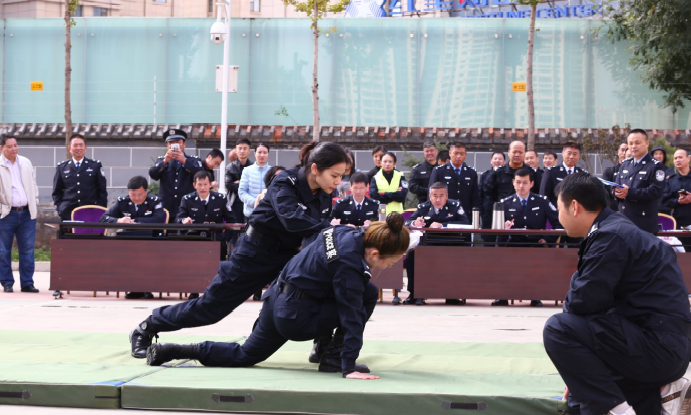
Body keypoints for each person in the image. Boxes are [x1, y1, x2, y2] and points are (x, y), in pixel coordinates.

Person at [129, 141, 349, 360]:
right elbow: (292, 219)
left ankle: (324, 344)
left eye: (341, 176)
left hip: (288, 255)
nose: (338, 182)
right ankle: (146, 327)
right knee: (211, 308)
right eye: (334, 175)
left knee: (325, 280)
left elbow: (315, 233)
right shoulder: (285, 181)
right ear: (314, 169)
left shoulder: (324, 192)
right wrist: (334, 230)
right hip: (254, 252)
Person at [146, 215, 409, 380]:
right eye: (392, 261)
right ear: (374, 254)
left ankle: (172, 350)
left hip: (276, 301)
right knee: (368, 294)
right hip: (296, 319)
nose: (391, 266)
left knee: (244, 354)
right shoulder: (350, 267)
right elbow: (351, 316)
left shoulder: (340, 232)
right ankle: (333, 358)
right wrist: (349, 365)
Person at [543, 172, 691, 415]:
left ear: (574, 206)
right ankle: (664, 397)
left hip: (657, 347)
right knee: (582, 402)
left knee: (559, 328)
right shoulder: (620, 229)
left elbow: (582, 301)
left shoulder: (610, 237)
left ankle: (622, 411)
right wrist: (576, 370)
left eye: (559, 208)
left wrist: (572, 361)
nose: (558, 216)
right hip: (660, 345)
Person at [492, 168, 559, 308]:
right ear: (513, 183)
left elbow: (558, 222)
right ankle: (503, 296)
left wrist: (548, 240)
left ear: (532, 184)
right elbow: (497, 227)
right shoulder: (505, 202)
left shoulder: (542, 201)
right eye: (518, 182)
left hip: (535, 243)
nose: (521, 186)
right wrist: (504, 230)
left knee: (537, 262)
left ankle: (535, 297)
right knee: (502, 261)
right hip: (513, 243)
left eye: (525, 182)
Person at [100, 175, 166, 300]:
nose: (136, 198)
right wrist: (119, 220)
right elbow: (103, 218)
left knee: (146, 255)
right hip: (129, 239)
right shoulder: (122, 201)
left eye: (139, 194)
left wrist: (136, 220)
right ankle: (134, 287)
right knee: (127, 254)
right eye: (132, 194)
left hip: (152, 239)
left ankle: (147, 287)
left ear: (146, 192)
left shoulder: (155, 201)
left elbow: (158, 219)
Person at [404, 182, 470, 306]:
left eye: (441, 195)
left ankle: (452, 295)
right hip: (429, 243)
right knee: (412, 256)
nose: (438, 199)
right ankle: (414, 293)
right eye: (435, 196)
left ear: (446, 196)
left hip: (451, 243)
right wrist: (415, 223)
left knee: (456, 259)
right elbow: (408, 222)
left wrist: (442, 226)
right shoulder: (423, 207)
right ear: (430, 196)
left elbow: (465, 223)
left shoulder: (455, 206)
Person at [0, 135, 39, 294]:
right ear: (1, 148)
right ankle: (7, 282)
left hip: (27, 213)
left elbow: (33, 184)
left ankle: (27, 283)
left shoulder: (25, 162)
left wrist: (34, 201)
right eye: (10, 146)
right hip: (6, 215)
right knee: (3, 251)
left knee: (28, 250)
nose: (14, 149)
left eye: (15, 145)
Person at [614, 129, 667, 234]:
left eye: (637, 143)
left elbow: (655, 191)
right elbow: (615, 185)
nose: (633, 146)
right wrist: (616, 193)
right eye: (630, 143)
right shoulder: (625, 164)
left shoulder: (655, 165)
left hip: (643, 222)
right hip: (623, 219)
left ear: (647, 143)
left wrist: (629, 192)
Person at [149, 129, 204, 223]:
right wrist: (165, 161)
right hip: (167, 206)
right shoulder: (161, 160)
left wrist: (185, 161)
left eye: (178, 143)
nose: (174, 146)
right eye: (171, 143)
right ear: (167, 146)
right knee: (165, 235)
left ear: (184, 144)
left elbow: (200, 174)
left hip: (187, 207)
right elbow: (153, 174)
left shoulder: (193, 160)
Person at [177, 171, 234, 259]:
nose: (202, 188)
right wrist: (184, 220)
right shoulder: (187, 199)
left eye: (205, 184)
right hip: (194, 239)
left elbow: (232, 221)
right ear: (194, 185)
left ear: (210, 184)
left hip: (216, 239)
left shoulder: (221, 199)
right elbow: (179, 218)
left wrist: (225, 238)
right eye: (199, 184)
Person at [52, 134, 108, 221]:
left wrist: (100, 209)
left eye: (81, 145)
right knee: (68, 234)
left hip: (90, 210)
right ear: (69, 148)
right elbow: (56, 191)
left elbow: (102, 190)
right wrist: (60, 208)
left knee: (88, 234)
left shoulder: (95, 165)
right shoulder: (62, 167)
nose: (78, 148)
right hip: (68, 212)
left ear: (85, 147)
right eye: (75, 145)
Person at [428, 142, 479, 217]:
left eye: (462, 154)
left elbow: (475, 197)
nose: (458, 156)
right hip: (444, 214)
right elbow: (431, 194)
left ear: (465, 155)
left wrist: (475, 215)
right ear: (450, 153)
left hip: (465, 214)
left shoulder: (471, 172)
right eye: (455, 153)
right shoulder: (439, 171)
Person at [483, 141, 539, 205]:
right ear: (509, 152)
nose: (517, 155)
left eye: (520, 152)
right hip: (503, 211)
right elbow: (489, 195)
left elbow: (537, 193)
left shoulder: (532, 173)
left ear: (524, 153)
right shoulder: (497, 173)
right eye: (514, 152)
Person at [662, 149, 691, 250]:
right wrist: (678, 201)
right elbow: (665, 201)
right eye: (675, 158)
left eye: (680, 157)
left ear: (688, 158)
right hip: (680, 225)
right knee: (682, 254)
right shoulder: (671, 180)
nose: (677, 160)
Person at [540, 142, 584, 207]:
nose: (571, 157)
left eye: (575, 154)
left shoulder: (581, 174)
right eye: (569, 153)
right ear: (563, 153)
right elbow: (544, 195)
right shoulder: (551, 172)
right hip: (555, 213)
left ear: (579, 156)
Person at [238, 143, 271, 221]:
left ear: (268, 154)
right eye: (259, 152)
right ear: (254, 154)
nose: (262, 155)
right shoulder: (247, 170)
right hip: (250, 213)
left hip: (268, 213)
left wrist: (264, 204)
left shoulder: (272, 171)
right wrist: (255, 202)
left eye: (265, 152)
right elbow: (242, 192)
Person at [479, 152, 505, 244]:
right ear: (491, 161)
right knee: (488, 240)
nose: (497, 161)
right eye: (495, 158)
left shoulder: (507, 174)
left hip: (504, 211)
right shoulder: (485, 175)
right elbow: (480, 194)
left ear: (504, 161)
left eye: (500, 159)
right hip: (488, 212)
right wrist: (481, 211)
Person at [225, 139, 253, 223]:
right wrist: (245, 184)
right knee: (235, 229)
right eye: (240, 148)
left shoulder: (253, 167)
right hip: (235, 202)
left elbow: (254, 184)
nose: (242, 151)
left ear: (249, 151)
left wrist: (239, 182)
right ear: (236, 150)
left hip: (249, 201)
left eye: (245, 148)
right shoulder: (230, 167)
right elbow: (228, 185)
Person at [602, 142, 628, 210]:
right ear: (618, 152)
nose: (624, 153)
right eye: (622, 150)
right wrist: (614, 191)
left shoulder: (635, 172)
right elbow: (604, 188)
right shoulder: (609, 171)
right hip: (613, 210)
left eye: (627, 150)